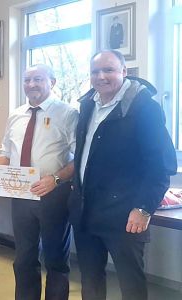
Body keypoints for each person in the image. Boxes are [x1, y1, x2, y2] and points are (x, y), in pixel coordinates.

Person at [69, 50, 177, 300]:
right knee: (91, 281)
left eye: (108, 70)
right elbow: (84, 154)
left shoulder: (144, 107)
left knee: (131, 284)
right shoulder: (87, 104)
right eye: (95, 71)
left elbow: (161, 165)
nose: (101, 76)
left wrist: (143, 208)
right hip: (86, 210)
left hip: (125, 213)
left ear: (124, 71)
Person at [0, 64, 77, 300]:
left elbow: (79, 159)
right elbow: (6, 150)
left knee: (56, 259)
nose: (31, 84)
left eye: (38, 79)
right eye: (27, 80)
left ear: (52, 82)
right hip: (21, 195)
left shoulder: (67, 113)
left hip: (53, 195)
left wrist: (55, 179)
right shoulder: (16, 114)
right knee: (24, 258)